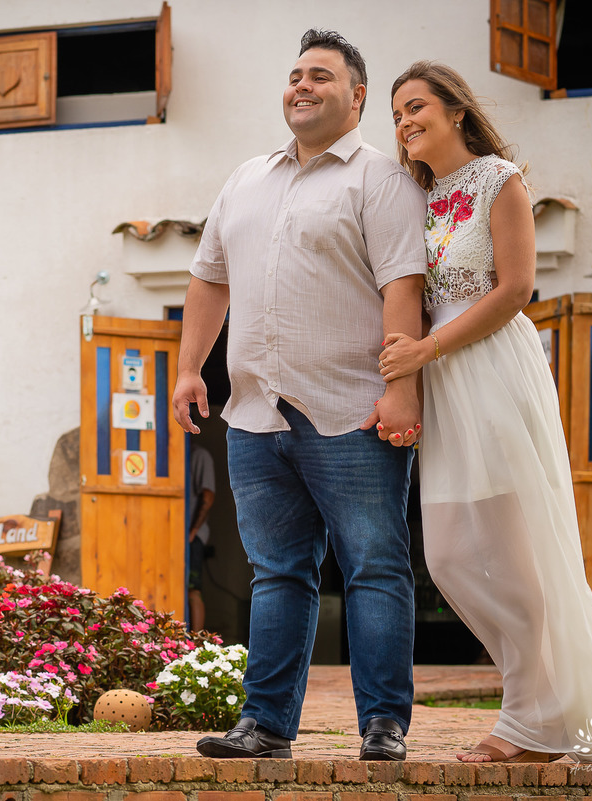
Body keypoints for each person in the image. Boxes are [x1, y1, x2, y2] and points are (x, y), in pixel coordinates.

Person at [381, 61, 592, 763]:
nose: (405, 122)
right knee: (447, 557)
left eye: (416, 107)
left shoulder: (498, 179)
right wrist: (411, 369)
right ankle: (545, 702)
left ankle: (530, 722)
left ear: (456, 112)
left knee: (514, 555)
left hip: (496, 374)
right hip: (446, 385)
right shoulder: (422, 196)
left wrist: (425, 349)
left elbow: (516, 290)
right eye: (396, 115)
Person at [173, 29, 428, 761]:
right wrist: (193, 368)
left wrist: (401, 391)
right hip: (254, 415)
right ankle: (266, 724)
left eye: (321, 74)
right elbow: (209, 278)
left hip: (352, 410)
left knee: (375, 566)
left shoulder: (382, 180)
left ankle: (383, 724)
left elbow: (401, 289)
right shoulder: (245, 177)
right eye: (294, 74)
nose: (302, 85)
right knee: (277, 570)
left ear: (356, 98)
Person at [186, 441, 216, 632]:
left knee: (193, 591)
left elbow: (208, 494)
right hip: (174, 536)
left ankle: (195, 643)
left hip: (191, 537)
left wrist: (193, 532)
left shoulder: (200, 455)